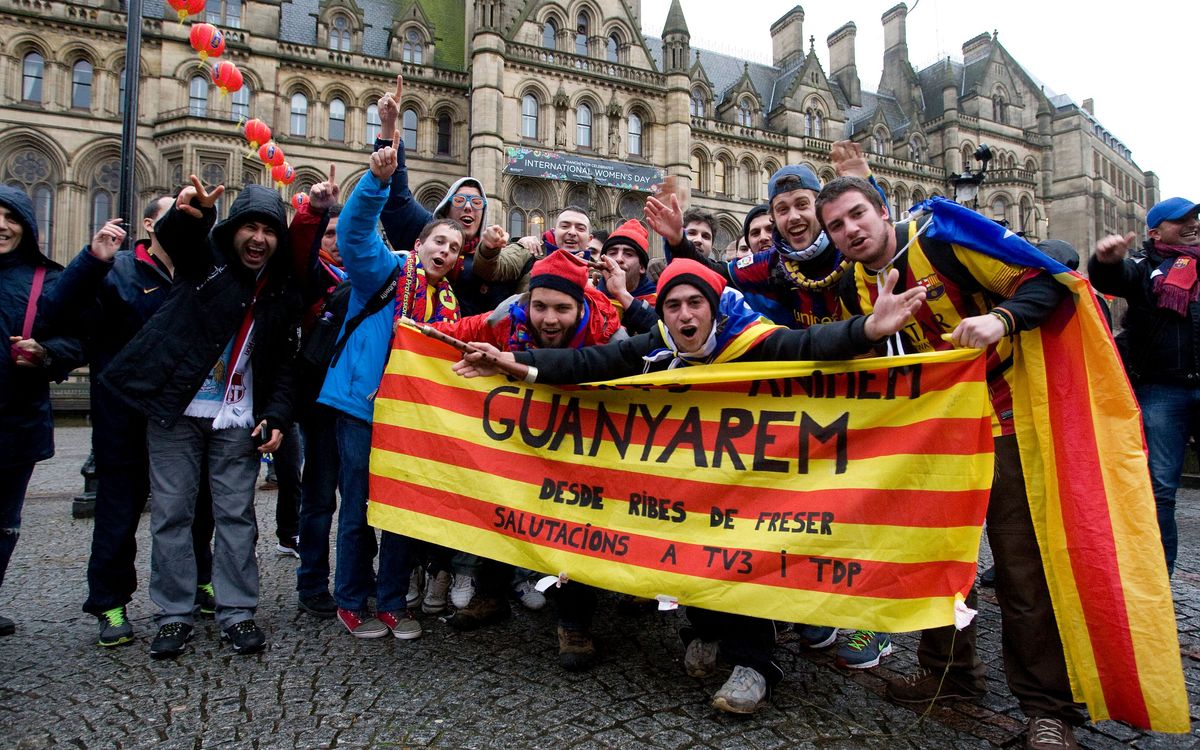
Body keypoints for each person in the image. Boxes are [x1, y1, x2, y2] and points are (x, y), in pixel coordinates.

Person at [453, 258, 926, 712]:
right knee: (689, 553)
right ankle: (705, 631)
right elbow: (592, 362)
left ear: (713, 308)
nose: (684, 315)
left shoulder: (752, 340)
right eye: (673, 305)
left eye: (694, 303)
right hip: (692, 485)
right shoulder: (657, 344)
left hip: (749, 486)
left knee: (740, 562)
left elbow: (807, 344)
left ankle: (754, 665)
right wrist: (511, 361)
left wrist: (868, 329)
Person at [817, 176, 1080, 749]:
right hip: (935, 435)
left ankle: (1048, 709)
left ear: (882, 209)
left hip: (1004, 419)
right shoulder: (851, 285)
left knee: (1020, 571)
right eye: (836, 225)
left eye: (857, 214)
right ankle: (948, 675)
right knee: (934, 562)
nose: (850, 230)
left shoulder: (941, 241)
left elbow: (1046, 276)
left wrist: (1001, 319)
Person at [100, 177, 301, 659]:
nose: (259, 238)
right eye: (250, 227)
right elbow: (177, 238)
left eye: (269, 230)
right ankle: (174, 614)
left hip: (237, 417)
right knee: (172, 513)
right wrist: (193, 213)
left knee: (236, 515)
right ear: (233, 231)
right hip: (177, 412)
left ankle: (238, 611)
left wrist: (276, 413)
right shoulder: (206, 262)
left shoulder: (282, 289)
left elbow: (285, 364)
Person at [431, 250, 623, 667]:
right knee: (503, 505)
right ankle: (491, 593)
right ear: (527, 302)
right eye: (540, 307)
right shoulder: (507, 315)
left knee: (577, 528)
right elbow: (458, 332)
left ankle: (573, 622)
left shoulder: (609, 333)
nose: (549, 319)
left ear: (581, 306)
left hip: (583, 452)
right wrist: (411, 331)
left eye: (561, 309)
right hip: (522, 442)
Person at [42, 196, 218, 647]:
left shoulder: (201, 271)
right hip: (124, 416)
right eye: (173, 215)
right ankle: (110, 601)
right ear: (150, 224)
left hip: (184, 415)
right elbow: (55, 314)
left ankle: (200, 579)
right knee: (119, 512)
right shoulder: (117, 269)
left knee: (195, 507)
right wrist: (91, 261)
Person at [317, 131, 464, 641]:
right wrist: (377, 182)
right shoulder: (384, 271)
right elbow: (355, 233)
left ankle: (393, 602)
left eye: (454, 247)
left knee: (401, 509)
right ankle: (350, 599)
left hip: (409, 415)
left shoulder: (448, 303)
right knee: (358, 507)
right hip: (362, 406)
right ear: (419, 245)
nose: (445, 250)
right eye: (439, 241)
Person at [1089, 197, 1200, 576]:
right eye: (1181, 221)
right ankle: (1159, 580)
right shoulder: (1142, 266)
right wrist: (1105, 261)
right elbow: (1114, 279)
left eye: (1194, 218)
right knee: (1161, 490)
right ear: (1155, 232)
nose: (1192, 225)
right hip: (1161, 390)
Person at [0, 186, 84, 637]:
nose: (2, 226)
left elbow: (76, 339)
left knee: (5, 523)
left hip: (16, 419)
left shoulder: (46, 281)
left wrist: (47, 352)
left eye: (11, 217)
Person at [373, 75, 519, 317]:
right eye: (460, 200)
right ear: (447, 207)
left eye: (476, 202)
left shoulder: (496, 257)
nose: (468, 207)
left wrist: (526, 244)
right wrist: (389, 128)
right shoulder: (425, 229)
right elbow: (397, 198)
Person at [289, 172, 348, 619]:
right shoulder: (312, 273)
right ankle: (311, 581)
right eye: (330, 234)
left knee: (358, 499)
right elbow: (298, 252)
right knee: (320, 498)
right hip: (321, 402)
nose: (338, 242)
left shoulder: (372, 274)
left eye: (343, 234)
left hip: (361, 403)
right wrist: (314, 213)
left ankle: (355, 577)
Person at [595, 219, 658, 335]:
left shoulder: (658, 300)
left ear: (642, 267)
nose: (618, 259)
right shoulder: (591, 297)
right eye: (612, 253)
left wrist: (621, 294)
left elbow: (665, 334)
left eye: (628, 254)